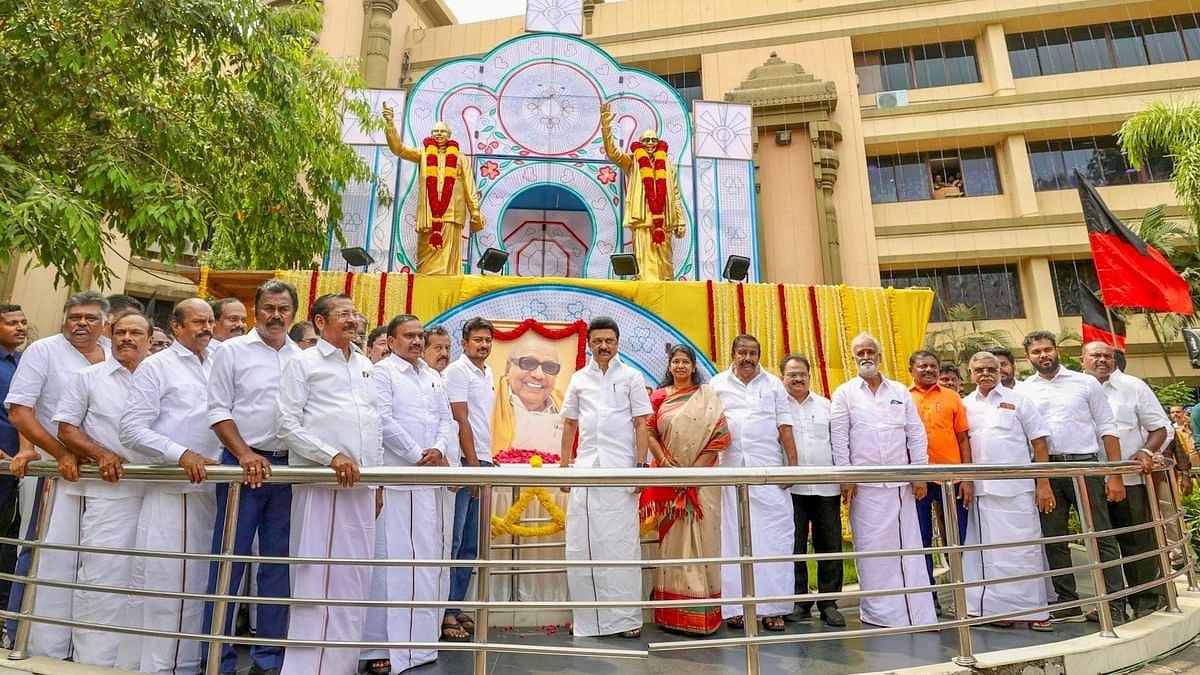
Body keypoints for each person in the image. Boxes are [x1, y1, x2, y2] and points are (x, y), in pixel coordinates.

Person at [275, 293, 381, 675]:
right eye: (343, 315)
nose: (353, 320)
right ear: (320, 323)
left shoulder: (366, 365)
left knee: (354, 577)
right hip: (322, 483)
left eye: (355, 313)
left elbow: (373, 423)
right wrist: (330, 456)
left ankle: (341, 664)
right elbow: (287, 425)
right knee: (317, 574)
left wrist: (379, 479)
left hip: (362, 486)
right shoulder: (302, 363)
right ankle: (307, 667)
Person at [200, 280, 300, 675]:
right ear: (256, 310)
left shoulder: (301, 356)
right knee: (229, 562)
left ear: (294, 313)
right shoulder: (231, 351)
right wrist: (244, 454)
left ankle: (269, 660)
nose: (276, 316)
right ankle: (217, 659)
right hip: (240, 465)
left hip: (289, 469)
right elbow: (217, 410)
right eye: (269, 308)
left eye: (284, 309)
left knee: (278, 566)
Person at [4, 291, 111, 657]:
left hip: (102, 477)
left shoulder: (113, 352)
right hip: (54, 470)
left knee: (88, 557)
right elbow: (20, 411)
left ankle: (75, 644)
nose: (82, 323)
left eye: (90, 318)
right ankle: (18, 633)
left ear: (104, 323)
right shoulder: (44, 350)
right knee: (39, 550)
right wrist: (60, 453)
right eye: (75, 316)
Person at [118, 298, 221, 673]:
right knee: (170, 582)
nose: (206, 328)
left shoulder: (220, 360)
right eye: (197, 322)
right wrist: (181, 454)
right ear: (176, 327)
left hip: (217, 489)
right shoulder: (156, 366)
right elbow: (131, 429)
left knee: (202, 581)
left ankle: (188, 663)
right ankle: (167, 668)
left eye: (210, 321)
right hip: (174, 487)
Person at [53, 312, 155, 665]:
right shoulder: (88, 377)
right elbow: (66, 429)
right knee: (101, 574)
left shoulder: (162, 377)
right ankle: (92, 663)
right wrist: (100, 454)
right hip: (109, 491)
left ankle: (133, 663)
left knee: (149, 576)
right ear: (111, 335)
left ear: (150, 339)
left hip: (159, 492)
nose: (127, 338)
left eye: (136, 332)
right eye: (121, 332)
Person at [361, 314, 455, 673]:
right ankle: (379, 649)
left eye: (420, 336)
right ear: (393, 339)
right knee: (391, 566)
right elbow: (382, 420)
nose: (417, 342)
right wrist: (418, 453)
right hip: (398, 480)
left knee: (424, 563)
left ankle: (419, 646)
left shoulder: (431, 376)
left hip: (427, 482)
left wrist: (440, 449)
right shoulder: (381, 373)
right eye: (409, 336)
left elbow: (446, 419)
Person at [1015, 331, 1125, 624]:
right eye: (1036, 352)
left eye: (1048, 350)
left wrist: (1114, 475)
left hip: (1085, 466)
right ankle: (1067, 601)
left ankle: (1114, 604)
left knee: (1100, 534)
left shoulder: (1085, 382)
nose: (1043, 356)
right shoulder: (1024, 391)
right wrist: (1041, 480)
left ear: (1057, 351)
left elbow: (1107, 427)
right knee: (1054, 537)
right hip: (1046, 469)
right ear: (1028, 357)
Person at [830, 332, 936, 628]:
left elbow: (915, 433)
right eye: (859, 353)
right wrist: (846, 477)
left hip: (901, 485)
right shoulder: (845, 393)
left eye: (870, 352)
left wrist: (920, 474)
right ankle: (880, 615)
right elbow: (839, 439)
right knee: (873, 552)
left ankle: (916, 614)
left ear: (879, 356)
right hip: (864, 488)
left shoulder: (900, 391)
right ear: (853, 359)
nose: (865, 357)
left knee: (908, 550)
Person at [559, 316, 652, 638]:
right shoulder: (579, 379)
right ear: (589, 343)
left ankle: (626, 619)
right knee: (583, 544)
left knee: (620, 544)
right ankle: (589, 619)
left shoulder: (631, 376)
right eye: (597, 341)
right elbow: (569, 424)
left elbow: (642, 423)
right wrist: (564, 467)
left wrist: (641, 469)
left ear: (617, 342)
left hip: (620, 470)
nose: (603, 346)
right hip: (586, 467)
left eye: (608, 341)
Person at [959, 351, 1054, 631]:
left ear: (1001, 371)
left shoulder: (1019, 399)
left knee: (1024, 552)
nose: (985, 374)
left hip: (1018, 490)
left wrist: (1043, 483)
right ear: (971, 373)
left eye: (991, 369)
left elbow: (1039, 444)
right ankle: (995, 611)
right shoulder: (965, 405)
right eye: (979, 370)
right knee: (988, 554)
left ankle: (1035, 613)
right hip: (981, 493)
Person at [640, 344, 730, 635]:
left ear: (693, 367)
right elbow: (648, 432)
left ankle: (704, 614)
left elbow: (720, 435)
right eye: (675, 362)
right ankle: (672, 615)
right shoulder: (658, 397)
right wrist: (667, 464)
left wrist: (692, 473)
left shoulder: (707, 396)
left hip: (701, 483)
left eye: (685, 362)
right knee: (673, 545)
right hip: (669, 480)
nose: (680, 366)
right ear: (669, 366)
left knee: (705, 542)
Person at [711, 335, 797, 632]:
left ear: (760, 355)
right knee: (732, 540)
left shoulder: (773, 384)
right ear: (732, 354)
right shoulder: (717, 383)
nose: (747, 358)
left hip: (768, 472)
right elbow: (710, 425)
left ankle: (774, 609)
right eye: (742, 352)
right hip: (730, 472)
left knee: (774, 538)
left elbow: (784, 426)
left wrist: (792, 468)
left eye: (753, 353)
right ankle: (735, 608)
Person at [1082, 341, 1169, 619]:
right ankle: (1110, 604)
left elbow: (1160, 428)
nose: (1102, 360)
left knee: (1136, 541)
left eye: (1107, 356)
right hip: (1089, 482)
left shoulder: (1134, 386)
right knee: (1099, 544)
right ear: (1082, 360)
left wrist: (1146, 451)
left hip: (1130, 480)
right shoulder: (1074, 389)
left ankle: (1145, 601)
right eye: (1095, 355)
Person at [779, 354, 845, 627]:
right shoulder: (778, 407)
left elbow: (839, 443)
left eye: (802, 374)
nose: (797, 379)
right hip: (791, 490)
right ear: (782, 377)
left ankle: (829, 604)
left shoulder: (826, 405)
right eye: (791, 374)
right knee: (794, 548)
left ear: (810, 376)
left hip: (826, 488)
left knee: (829, 546)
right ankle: (799, 602)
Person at [442, 317, 497, 639]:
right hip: (466, 462)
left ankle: (455, 605)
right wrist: (473, 466)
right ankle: (445, 612)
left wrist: (487, 462)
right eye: (477, 340)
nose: (483, 345)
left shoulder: (487, 373)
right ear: (464, 343)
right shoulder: (457, 372)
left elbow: (479, 422)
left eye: (487, 340)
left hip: (482, 461)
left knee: (471, 546)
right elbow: (459, 419)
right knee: (455, 540)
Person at [382, 106, 485, 275]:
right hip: (429, 215)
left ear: (449, 135)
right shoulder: (423, 154)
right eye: (435, 131)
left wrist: (475, 211)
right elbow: (399, 149)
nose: (438, 134)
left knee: (447, 263)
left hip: (452, 215)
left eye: (442, 131)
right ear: (431, 134)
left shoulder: (460, 158)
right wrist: (390, 123)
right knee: (426, 261)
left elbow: (469, 186)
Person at [908, 350, 972, 616]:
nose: (928, 370)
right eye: (922, 366)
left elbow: (963, 439)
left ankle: (965, 597)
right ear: (912, 369)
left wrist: (968, 477)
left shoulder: (952, 397)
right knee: (921, 540)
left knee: (959, 540)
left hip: (952, 480)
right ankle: (929, 599)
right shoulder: (903, 398)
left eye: (932, 366)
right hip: (919, 481)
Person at [599, 103, 687, 281]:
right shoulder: (632, 162)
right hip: (641, 221)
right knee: (644, 262)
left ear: (658, 143)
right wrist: (606, 126)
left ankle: (666, 290)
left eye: (653, 140)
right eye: (646, 140)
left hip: (663, 222)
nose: (650, 144)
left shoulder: (669, 166)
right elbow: (612, 153)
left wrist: (681, 221)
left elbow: (676, 195)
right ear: (640, 143)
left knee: (665, 264)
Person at [492, 332, 564, 456]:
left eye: (550, 367)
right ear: (508, 368)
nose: (538, 375)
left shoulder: (568, 409)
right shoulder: (488, 402)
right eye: (528, 363)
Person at [0, 306, 27, 626]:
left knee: (8, 535)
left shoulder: (20, 362)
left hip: (16, 465)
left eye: (22, 323)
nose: (20, 328)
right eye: (11, 323)